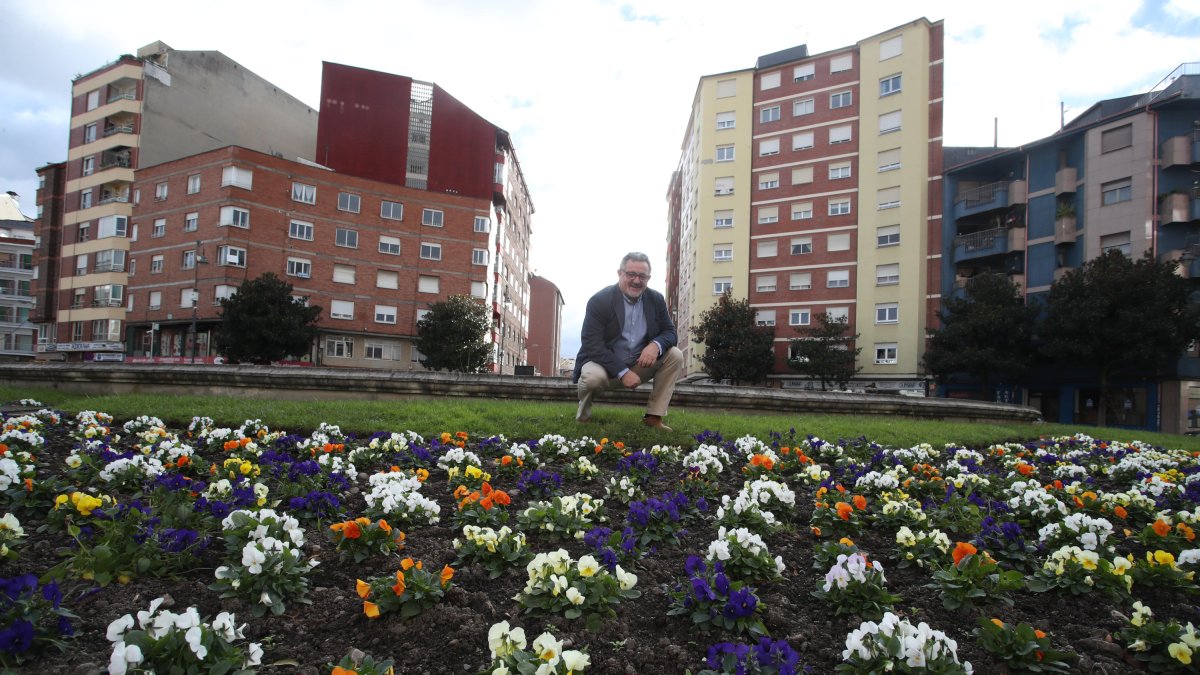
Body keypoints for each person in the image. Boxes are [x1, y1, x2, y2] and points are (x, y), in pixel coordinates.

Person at [573, 252, 683, 431]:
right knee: (592, 378)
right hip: (603, 365)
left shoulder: (655, 299)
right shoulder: (600, 300)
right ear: (620, 273)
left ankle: (653, 418)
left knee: (675, 355)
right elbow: (592, 343)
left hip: (639, 363)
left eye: (642, 276)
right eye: (631, 274)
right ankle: (583, 417)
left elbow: (670, 332)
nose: (637, 280)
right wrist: (622, 372)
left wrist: (655, 345)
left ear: (648, 278)